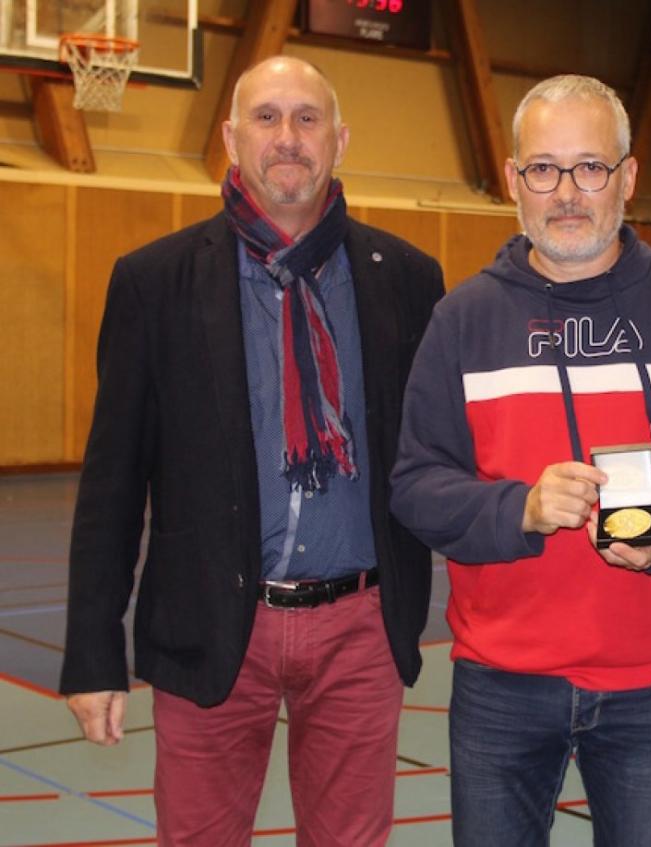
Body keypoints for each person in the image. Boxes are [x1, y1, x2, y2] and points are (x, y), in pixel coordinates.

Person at [59, 56, 443, 845]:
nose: (288, 137)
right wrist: (93, 651)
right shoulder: (155, 280)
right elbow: (111, 482)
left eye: (307, 119)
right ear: (231, 139)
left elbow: (434, 457)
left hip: (359, 626)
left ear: (340, 139)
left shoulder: (407, 278)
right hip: (209, 618)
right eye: (266, 118)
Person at [391, 74, 651, 846]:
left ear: (628, 176)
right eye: (544, 168)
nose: (567, 192)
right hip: (501, 683)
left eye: (591, 167)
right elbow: (415, 485)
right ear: (513, 180)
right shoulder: (461, 319)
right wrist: (519, 508)